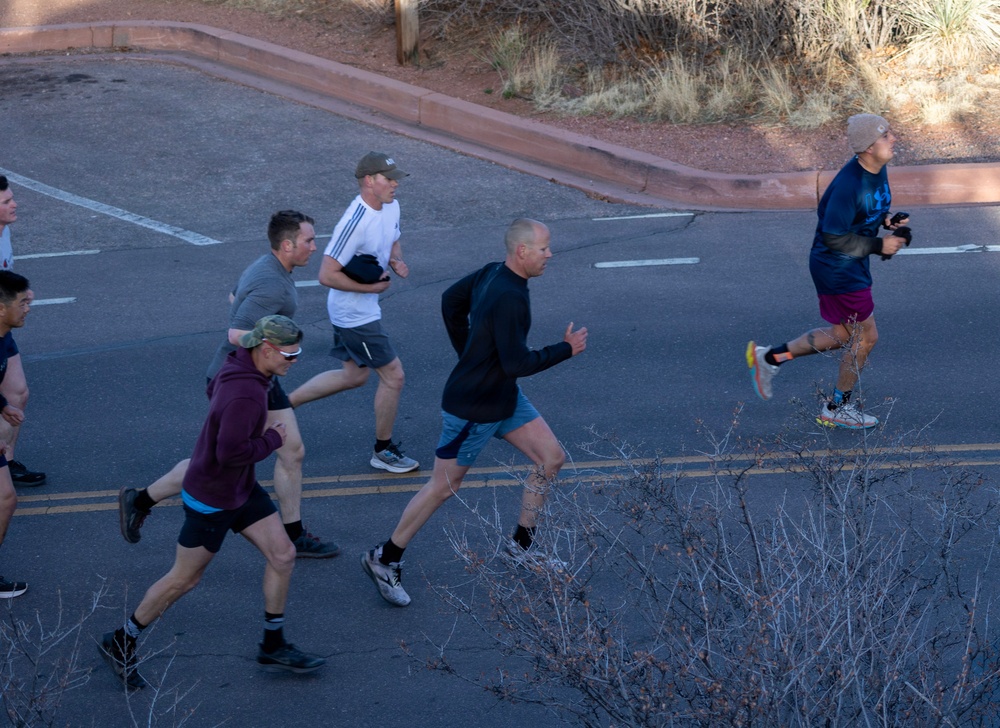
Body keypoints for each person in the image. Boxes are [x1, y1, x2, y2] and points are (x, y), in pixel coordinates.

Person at [361, 218, 587, 607]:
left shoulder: (493, 272)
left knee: (550, 459)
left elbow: (451, 300)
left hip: (503, 397)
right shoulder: (509, 296)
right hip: (474, 409)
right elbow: (517, 362)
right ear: (522, 251)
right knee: (443, 488)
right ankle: (384, 558)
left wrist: (470, 352)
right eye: (544, 248)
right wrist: (565, 349)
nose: (551, 254)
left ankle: (522, 547)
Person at [100, 316, 325, 689]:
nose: (295, 360)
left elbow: (215, 402)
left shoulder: (240, 363)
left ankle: (273, 644)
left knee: (283, 555)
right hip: (214, 499)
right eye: (290, 354)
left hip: (240, 489)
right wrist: (271, 439)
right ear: (265, 349)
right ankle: (122, 639)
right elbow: (230, 453)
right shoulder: (246, 393)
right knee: (183, 580)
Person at [117, 211, 338, 558]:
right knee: (217, 464)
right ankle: (141, 499)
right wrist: (269, 346)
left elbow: (233, 299)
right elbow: (236, 332)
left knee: (291, 451)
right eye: (309, 241)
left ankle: (293, 533)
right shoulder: (271, 283)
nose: (315, 246)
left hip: (262, 370)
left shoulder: (266, 265)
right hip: (239, 377)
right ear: (287, 244)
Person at [746, 114, 909, 429]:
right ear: (867, 148)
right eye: (886, 135)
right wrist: (879, 246)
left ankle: (768, 358)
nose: (894, 139)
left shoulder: (876, 166)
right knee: (865, 338)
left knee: (842, 335)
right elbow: (834, 237)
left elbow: (868, 208)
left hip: (848, 263)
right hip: (838, 267)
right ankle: (837, 407)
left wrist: (885, 220)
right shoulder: (850, 185)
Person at [289, 152, 419, 474]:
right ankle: (383, 451)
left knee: (354, 375)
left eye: (395, 179)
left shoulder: (391, 206)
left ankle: (282, 404)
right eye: (388, 179)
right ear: (368, 181)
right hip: (353, 314)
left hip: (364, 308)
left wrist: (395, 260)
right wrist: (369, 289)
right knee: (394, 376)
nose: (394, 184)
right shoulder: (354, 222)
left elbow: (393, 239)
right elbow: (326, 275)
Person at [0, 176, 45, 487]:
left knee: (17, 393)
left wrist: (21, 293)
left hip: (2, 326)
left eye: (11, 198)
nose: (14, 204)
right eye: (5, 202)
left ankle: (8, 461)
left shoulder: (4, 232)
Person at [0, 272, 34, 599]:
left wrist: (2, 405)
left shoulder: (2, 338)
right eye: (22, 303)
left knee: (6, 499)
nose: (28, 309)